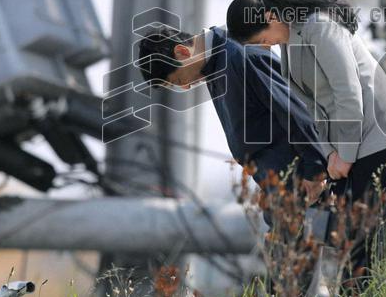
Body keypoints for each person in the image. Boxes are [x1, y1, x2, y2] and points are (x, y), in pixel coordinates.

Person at [226, 0, 386, 290]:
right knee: (345, 232)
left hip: (377, 131)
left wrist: (344, 156)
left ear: (271, 17)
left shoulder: (320, 27)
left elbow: (348, 94)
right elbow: (309, 108)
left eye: (261, 40)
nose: (265, 47)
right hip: (346, 140)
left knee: (362, 236)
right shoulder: (288, 38)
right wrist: (327, 156)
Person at [137, 25, 327, 219]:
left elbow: (294, 111)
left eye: (178, 80)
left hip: (304, 183)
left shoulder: (240, 55)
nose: (185, 87)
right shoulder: (214, 65)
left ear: (182, 52)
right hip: (278, 185)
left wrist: (315, 170)